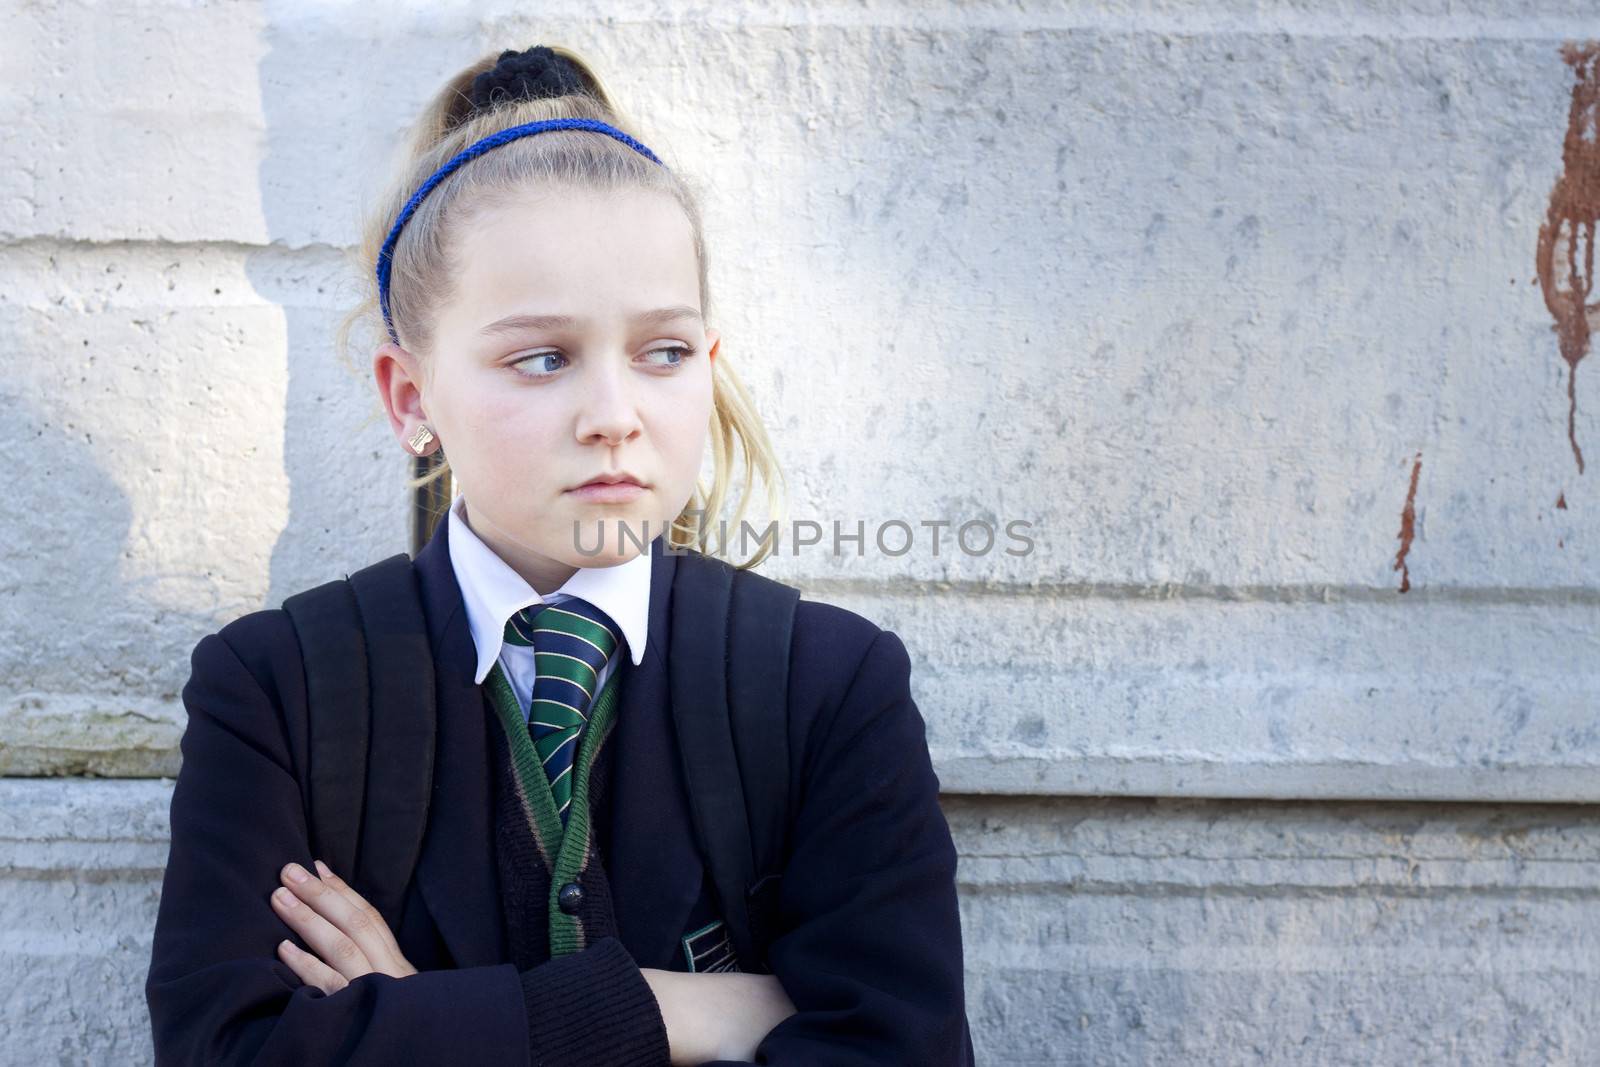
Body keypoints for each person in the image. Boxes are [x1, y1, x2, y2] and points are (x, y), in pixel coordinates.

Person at [144, 43, 974, 1066]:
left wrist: (421, 1024)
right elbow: (229, 1053)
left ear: (707, 367)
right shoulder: (278, 690)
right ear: (411, 397)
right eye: (542, 358)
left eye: (662, 352)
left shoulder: (827, 686)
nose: (615, 416)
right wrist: (680, 1012)